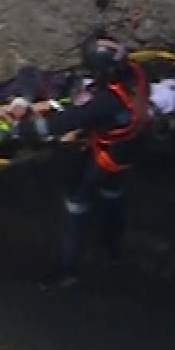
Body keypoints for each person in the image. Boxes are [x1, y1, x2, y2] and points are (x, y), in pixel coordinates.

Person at [15, 34, 154, 290]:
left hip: (104, 161)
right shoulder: (135, 75)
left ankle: (67, 269)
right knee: (112, 195)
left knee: (76, 204)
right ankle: (111, 250)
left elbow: (71, 120)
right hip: (128, 152)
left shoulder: (106, 101)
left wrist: (28, 130)